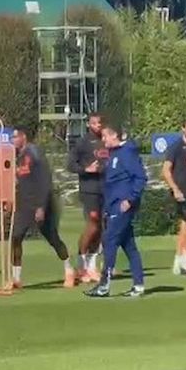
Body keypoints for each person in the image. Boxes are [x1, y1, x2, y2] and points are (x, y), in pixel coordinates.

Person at [85, 124, 147, 297]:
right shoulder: (114, 154)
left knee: (109, 241)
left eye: (105, 136)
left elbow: (141, 177)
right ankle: (139, 285)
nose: (103, 139)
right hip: (112, 205)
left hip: (122, 206)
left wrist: (130, 199)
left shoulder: (127, 153)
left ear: (114, 136)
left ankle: (104, 285)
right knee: (129, 246)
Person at [11, 126, 73, 288]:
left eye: (15, 137)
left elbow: (45, 180)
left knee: (52, 237)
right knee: (16, 237)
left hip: (39, 203)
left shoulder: (35, 153)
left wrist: (41, 206)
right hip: (24, 204)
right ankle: (16, 278)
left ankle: (69, 270)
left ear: (23, 137)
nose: (12, 141)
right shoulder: (17, 156)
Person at [67, 113, 109, 282]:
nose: (98, 125)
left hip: (105, 189)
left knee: (101, 228)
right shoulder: (83, 142)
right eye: (94, 123)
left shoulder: (106, 140)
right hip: (89, 189)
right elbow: (70, 164)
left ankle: (91, 267)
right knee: (92, 224)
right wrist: (86, 169)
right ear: (88, 124)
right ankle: (80, 263)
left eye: (100, 123)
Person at [162, 119, 186, 276]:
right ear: (183, 128)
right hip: (181, 193)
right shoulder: (175, 147)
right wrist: (175, 189)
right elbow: (165, 170)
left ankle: (178, 261)